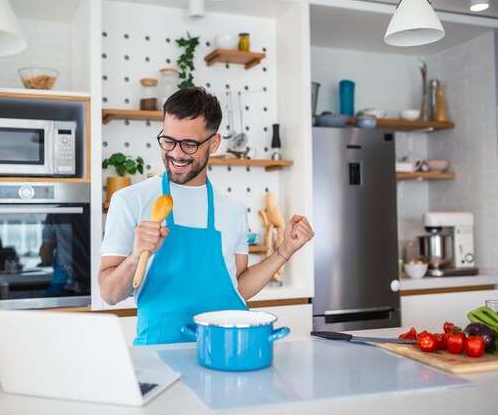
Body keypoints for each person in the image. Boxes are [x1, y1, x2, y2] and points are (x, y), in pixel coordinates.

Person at [98, 87, 313, 345]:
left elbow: (239, 288)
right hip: (160, 354)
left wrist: (284, 251)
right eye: (168, 140)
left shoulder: (233, 209)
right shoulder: (131, 201)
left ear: (214, 143)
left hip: (227, 349)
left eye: (189, 144)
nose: (176, 153)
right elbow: (109, 294)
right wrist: (135, 257)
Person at [39, 212, 91, 297]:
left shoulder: (56, 214)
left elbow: (46, 256)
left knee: (42, 308)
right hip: (93, 286)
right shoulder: (92, 208)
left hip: (65, 285)